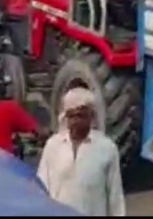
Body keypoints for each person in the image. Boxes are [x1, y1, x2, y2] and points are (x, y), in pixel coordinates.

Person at [37, 88, 126, 216]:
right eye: (71, 116)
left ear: (91, 116)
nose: (75, 121)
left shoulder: (106, 148)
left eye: (81, 115)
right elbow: (42, 188)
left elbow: (115, 197)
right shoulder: (53, 145)